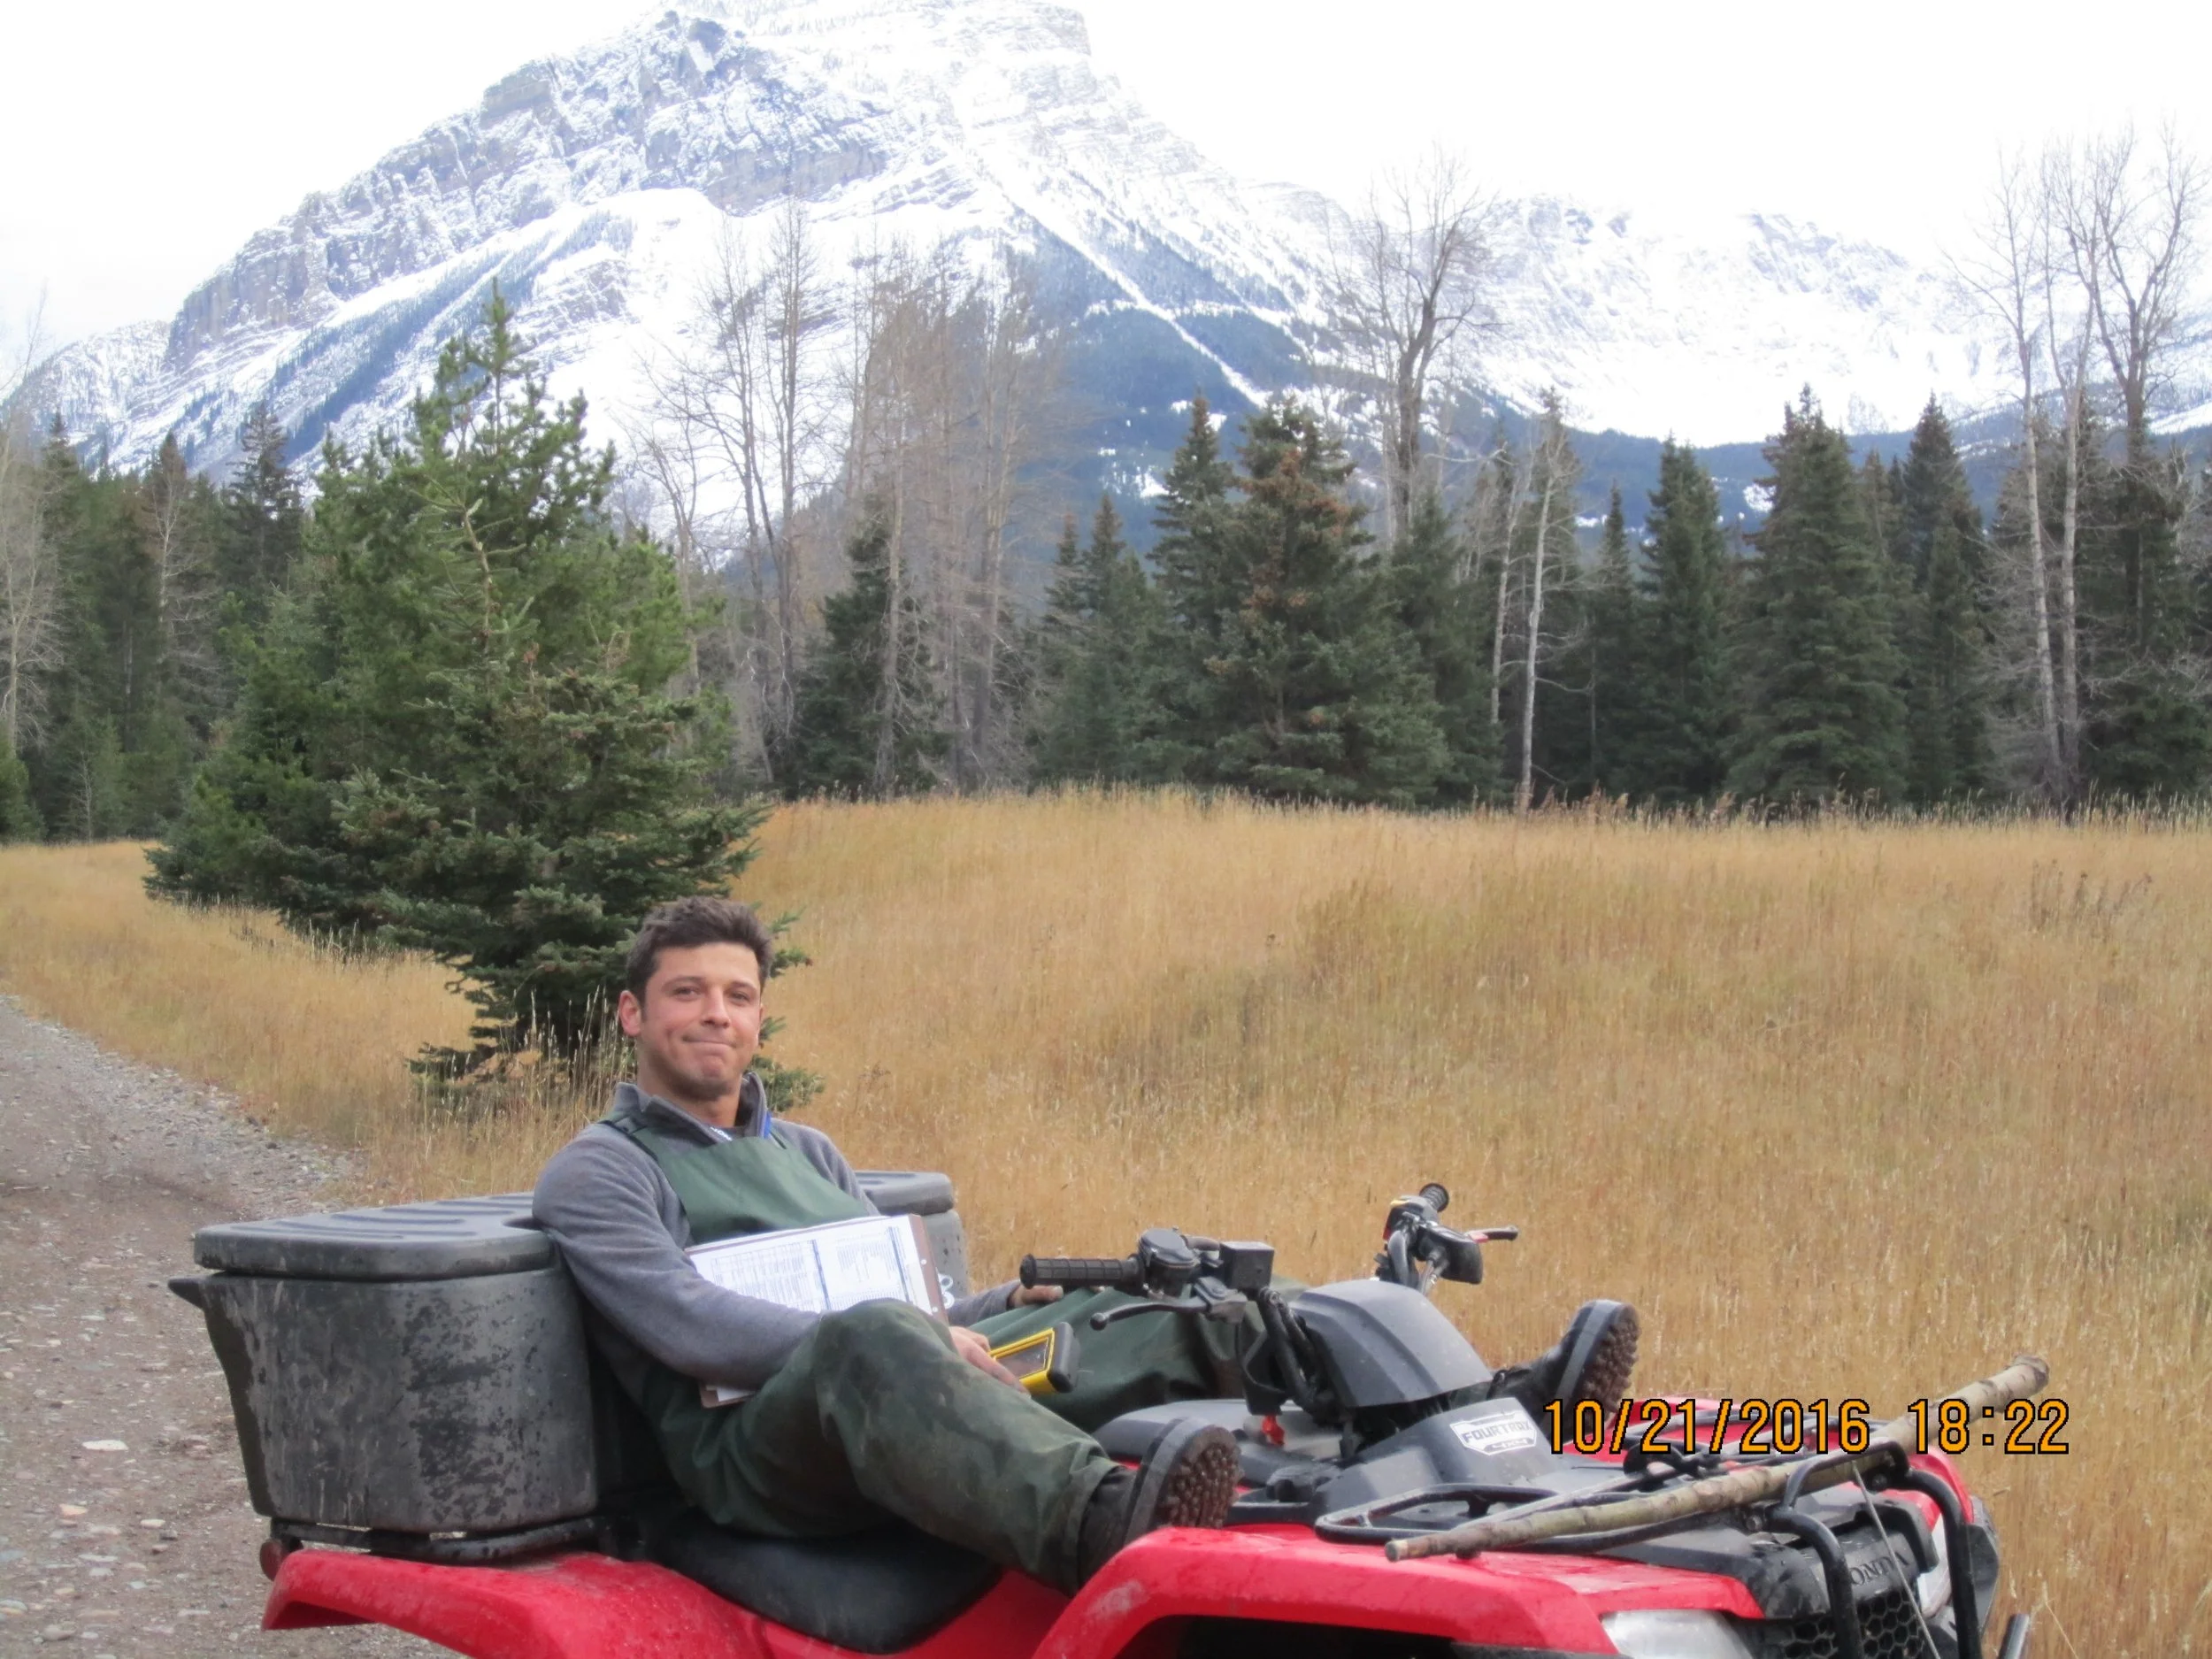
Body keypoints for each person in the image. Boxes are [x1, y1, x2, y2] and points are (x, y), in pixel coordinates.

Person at [534, 896, 1637, 1594]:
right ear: (632, 1016)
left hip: (880, 1374)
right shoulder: (605, 1167)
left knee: (1164, 1289)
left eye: (737, 995)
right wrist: (900, 1338)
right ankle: (1102, 1522)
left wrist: (982, 1321)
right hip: (753, 1456)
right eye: (685, 994)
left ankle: (1472, 1404)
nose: (713, 1015)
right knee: (875, 1337)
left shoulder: (810, 1151)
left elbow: (905, 1304)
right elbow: (683, 1326)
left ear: (761, 1019)